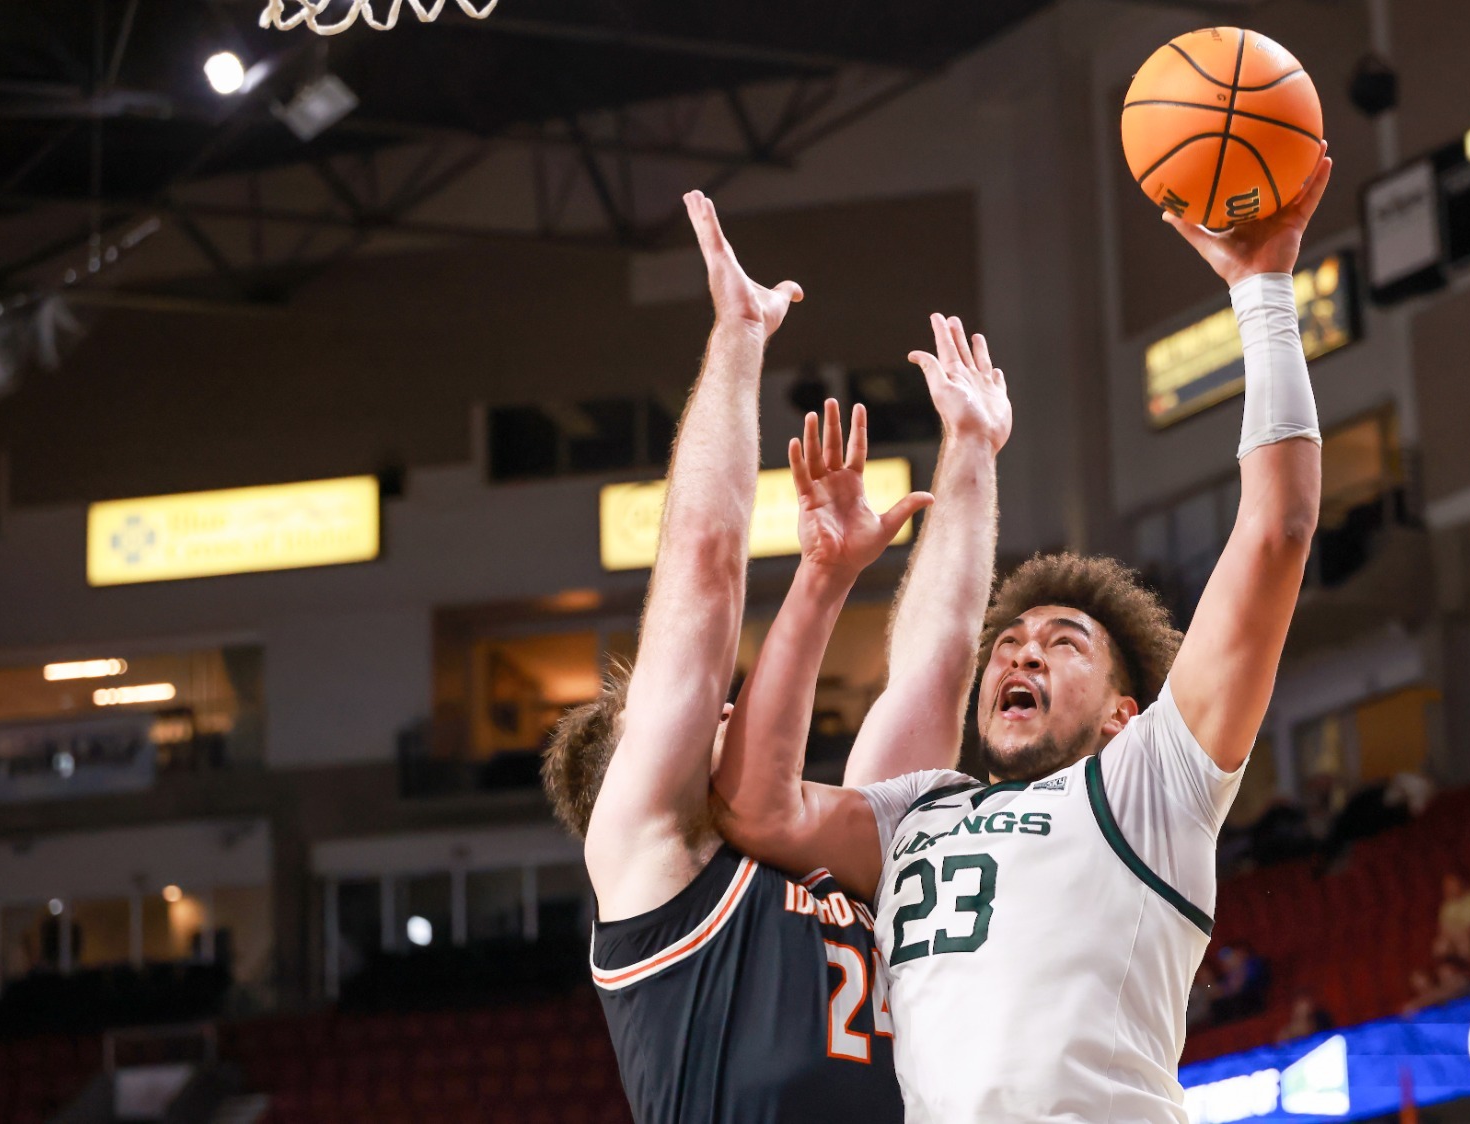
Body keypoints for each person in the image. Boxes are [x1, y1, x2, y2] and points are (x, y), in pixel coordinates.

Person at [714, 155, 1335, 1121]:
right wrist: (826, 575)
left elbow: (1280, 527)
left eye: (1064, 642)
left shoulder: (1148, 785)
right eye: (1011, 642)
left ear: (1125, 714)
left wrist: (1260, 290)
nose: (1021, 651)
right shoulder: (920, 812)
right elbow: (756, 808)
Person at [540, 192, 1003, 1124]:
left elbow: (936, 668)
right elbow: (706, 571)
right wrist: (739, 336)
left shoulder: (814, 849)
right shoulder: (646, 854)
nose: (714, 707)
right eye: (675, 715)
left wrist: (973, 449)